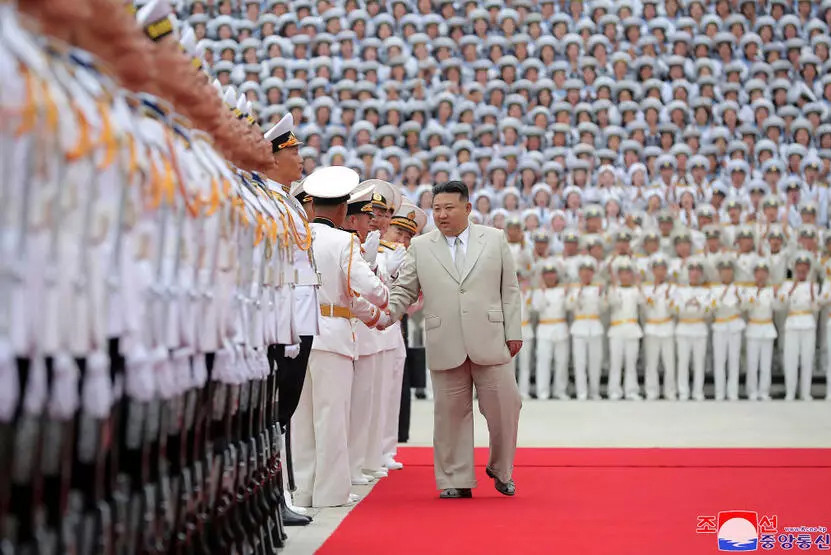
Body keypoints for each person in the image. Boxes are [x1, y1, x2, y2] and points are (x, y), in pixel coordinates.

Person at [380, 180, 522, 499]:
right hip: (445, 338)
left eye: (448, 208)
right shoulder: (421, 245)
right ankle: (454, 479)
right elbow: (405, 289)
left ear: (467, 209)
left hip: (491, 336)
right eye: (437, 209)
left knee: (506, 405)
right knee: (449, 413)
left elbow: (510, 290)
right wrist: (386, 315)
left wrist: (514, 331)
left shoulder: (494, 239)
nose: (441, 215)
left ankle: (502, 469)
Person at [292, 166, 390, 508]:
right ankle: (330, 492)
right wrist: (381, 292)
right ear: (341, 209)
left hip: (299, 333)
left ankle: (303, 490)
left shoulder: (296, 234)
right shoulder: (343, 240)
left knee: (302, 418)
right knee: (332, 416)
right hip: (333, 336)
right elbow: (372, 290)